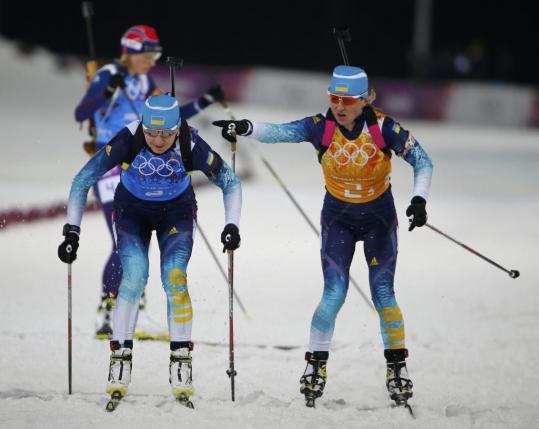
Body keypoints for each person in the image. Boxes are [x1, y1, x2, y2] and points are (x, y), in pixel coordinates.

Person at [213, 65, 433, 407]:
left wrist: (418, 199)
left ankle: (397, 368)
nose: (339, 106)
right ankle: (315, 366)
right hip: (339, 220)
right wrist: (245, 128)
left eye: (347, 100)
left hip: (379, 220)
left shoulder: (384, 128)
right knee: (333, 294)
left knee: (383, 294)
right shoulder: (321, 127)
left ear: (364, 101)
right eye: (333, 98)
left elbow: (423, 162)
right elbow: (281, 132)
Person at [58, 94, 242, 404]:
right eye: (151, 133)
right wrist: (72, 231)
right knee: (134, 276)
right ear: (142, 126)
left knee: (175, 278)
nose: (158, 140)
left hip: (176, 212)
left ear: (177, 129)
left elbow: (230, 182)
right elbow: (82, 179)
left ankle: (181, 361)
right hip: (132, 211)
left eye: (166, 134)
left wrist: (232, 224)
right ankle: (120, 359)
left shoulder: (191, 143)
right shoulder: (128, 138)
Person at [74, 25, 226, 340]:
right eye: (149, 55)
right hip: (113, 163)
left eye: (156, 55)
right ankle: (109, 310)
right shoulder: (108, 74)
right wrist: (105, 91)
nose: (152, 61)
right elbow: (81, 112)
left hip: (142, 165)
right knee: (125, 242)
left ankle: (129, 306)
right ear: (131, 51)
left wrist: (204, 101)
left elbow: (169, 116)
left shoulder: (144, 81)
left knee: (138, 244)